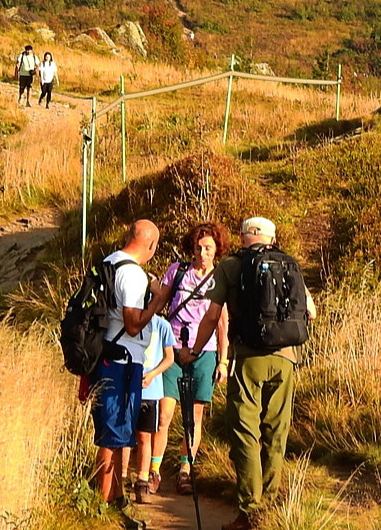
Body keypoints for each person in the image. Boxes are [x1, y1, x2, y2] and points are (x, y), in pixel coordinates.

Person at [190, 217, 315, 530]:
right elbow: (311, 311)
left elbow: (212, 317)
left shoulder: (230, 266)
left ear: (244, 237)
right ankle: (271, 506)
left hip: (248, 359)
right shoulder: (288, 263)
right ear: (272, 238)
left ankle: (250, 510)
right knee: (276, 432)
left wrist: (194, 351)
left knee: (246, 432)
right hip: (286, 359)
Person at [89, 220, 170, 507]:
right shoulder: (134, 275)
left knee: (113, 433)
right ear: (151, 245)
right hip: (122, 360)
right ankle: (106, 503)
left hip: (104, 356)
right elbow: (133, 325)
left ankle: (116, 497)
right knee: (113, 435)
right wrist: (158, 301)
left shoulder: (108, 263)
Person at [158, 222, 230, 496]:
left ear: (217, 250)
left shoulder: (219, 279)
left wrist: (223, 361)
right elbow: (160, 301)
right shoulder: (177, 273)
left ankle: (185, 470)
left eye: (208, 248)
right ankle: (153, 471)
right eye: (199, 247)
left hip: (205, 353)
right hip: (172, 351)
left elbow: (223, 324)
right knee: (164, 415)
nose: (202, 253)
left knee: (194, 417)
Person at [132, 312, 178, 501]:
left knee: (145, 434)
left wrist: (152, 375)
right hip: (129, 385)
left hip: (151, 390)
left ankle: (144, 478)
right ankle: (124, 476)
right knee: (127, 435)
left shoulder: (162, 325)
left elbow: (170, 357)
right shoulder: (128, 320)